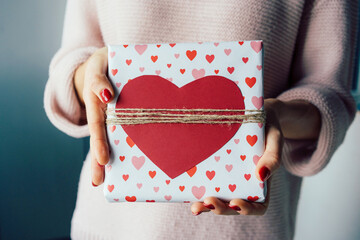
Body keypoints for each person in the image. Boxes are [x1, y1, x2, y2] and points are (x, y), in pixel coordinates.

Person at [44, 0, 358, 239]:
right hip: (111, 226)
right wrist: (90, 74)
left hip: (246, 230)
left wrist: (275, 116)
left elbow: (331, 98)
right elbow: (69, 65)